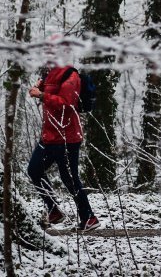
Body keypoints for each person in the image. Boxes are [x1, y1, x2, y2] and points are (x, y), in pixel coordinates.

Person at [26, 61, 100, 232]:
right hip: (49, 136)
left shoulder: (70, 76)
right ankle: (54, 211)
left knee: (70, 179)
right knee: (35, 170)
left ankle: (89, 218)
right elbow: (48, 90)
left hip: (67, 137)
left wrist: (41, 95)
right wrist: (40, 86)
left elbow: (67, 103)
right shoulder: (49, 73)